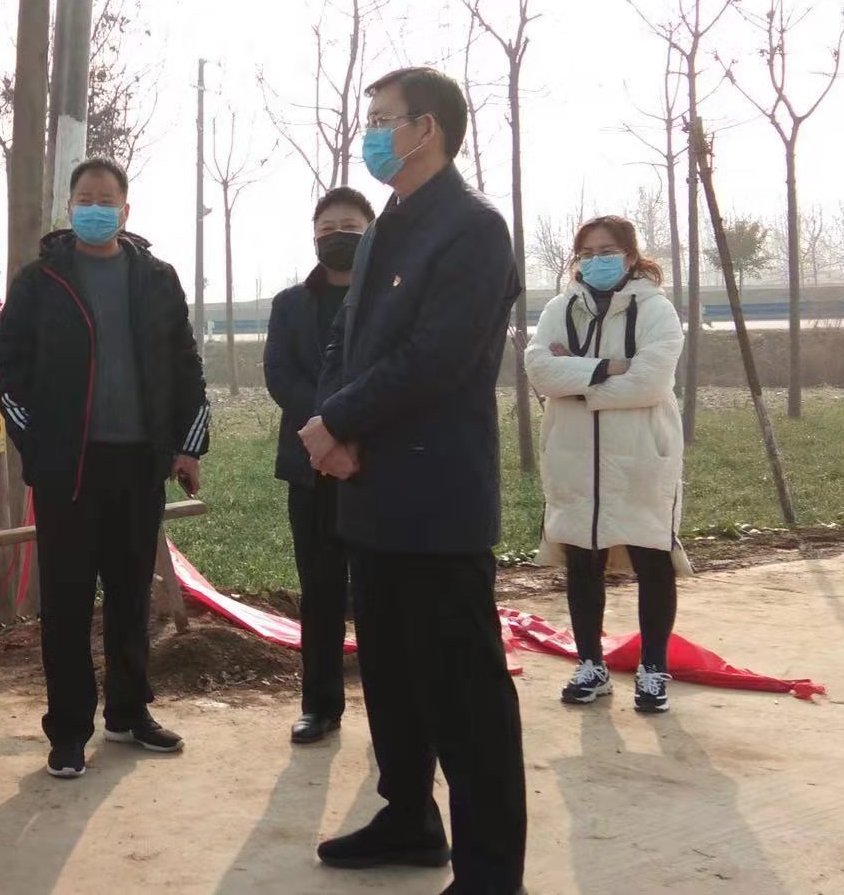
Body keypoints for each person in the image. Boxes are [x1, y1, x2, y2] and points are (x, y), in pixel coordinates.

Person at [298, 67, 528, 895]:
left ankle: (491, 873)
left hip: (437, 500)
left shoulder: (473, 230)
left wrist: (341, 422)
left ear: (426, 128)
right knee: (392, 676)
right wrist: (333, 425)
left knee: (465, 693)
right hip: (371, 494)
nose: (371, 134)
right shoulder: (387, 225)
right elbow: (345, 343)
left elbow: (438, 357)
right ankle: (409, 817)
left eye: (383, 119)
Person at [0, 158, 211, 781]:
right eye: (85, 198)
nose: (95, 207)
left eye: (106, 198)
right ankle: (68, 730)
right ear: (70, 208)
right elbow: (9, 369)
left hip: (138, 464)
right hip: (68, 470)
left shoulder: (157, 279)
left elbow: (185, 364)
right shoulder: (40, 281)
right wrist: (41, 448)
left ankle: (128, 712)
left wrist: (187, 446)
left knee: (130, 595)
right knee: (65, 603)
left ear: (125, 208)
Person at [525, 215, 690, 714]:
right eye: (587, 253)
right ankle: (590, 664)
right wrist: (610, 368)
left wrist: (578, 382)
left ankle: (653, 668)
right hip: (574, 453)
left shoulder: (656, 310)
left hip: (639, 454)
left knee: (652, 557)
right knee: (582, 559)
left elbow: (651, 382)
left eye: (607, 251)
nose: (595, 261)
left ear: (630, 256)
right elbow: (539, 370)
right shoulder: (560, 308)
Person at [263, 186, 376, 745]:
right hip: (311, 464)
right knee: (321, 588)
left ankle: (391, 707)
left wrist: (354, 430)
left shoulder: (391, 297)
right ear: (313, 237)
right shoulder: (290, 304)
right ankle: (321, 705)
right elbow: (279, 375)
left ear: (372, 231)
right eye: (327, 228)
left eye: (350, 227)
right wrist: (327, 430)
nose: (338, 236)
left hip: (377, 464)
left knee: (380, 591)